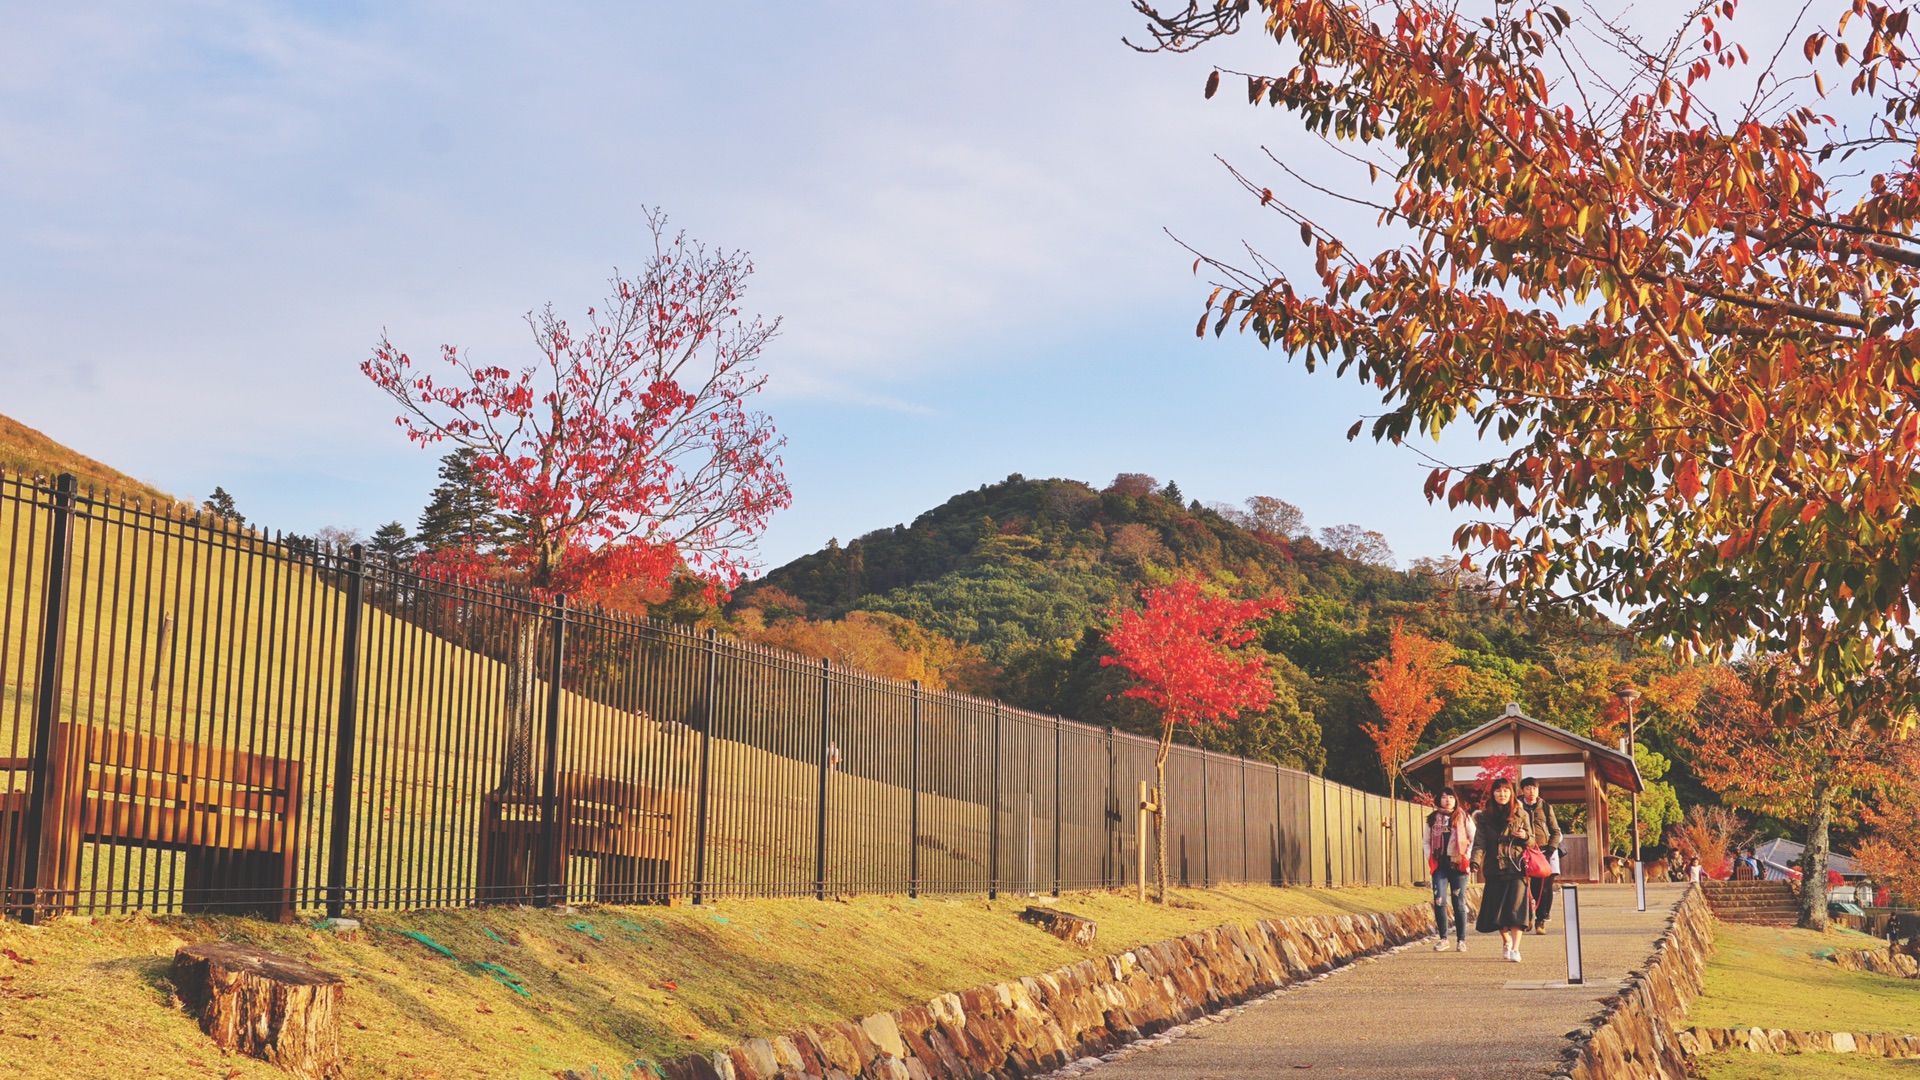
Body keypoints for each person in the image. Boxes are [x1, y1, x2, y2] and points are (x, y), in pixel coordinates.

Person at [1473, 777, 1534, 962]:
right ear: (1493, 793)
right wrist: (1475, 862)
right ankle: (1506, 940)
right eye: (1498, 791)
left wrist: (1524, 836)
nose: (1502, 794)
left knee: (1516, 910)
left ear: (1512, 793)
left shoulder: (1521, 814)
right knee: (1498, 912)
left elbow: (1532, 841)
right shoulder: (1484, 817)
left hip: (1516, 868)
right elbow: (1479, 843)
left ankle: (1515, 949)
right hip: (1494, 869)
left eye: (1506, 790)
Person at [1426, 787, 1476, 952]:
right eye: (1443, 797)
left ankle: (1461, 940)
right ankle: (1443, 938)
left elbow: (1474, 838)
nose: (1447, 800)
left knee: (1459, 902)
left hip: (1458, 864)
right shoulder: (1432, 819)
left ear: (1456, 800)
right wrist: (1429, 856)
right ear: (1438, 800)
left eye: (1450, 797)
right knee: (1439, 900)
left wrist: (1467, 856)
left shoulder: (1464, 817)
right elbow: (1425, 841)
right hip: (1440, 865)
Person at [1518, 777, 1562, 934]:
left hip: (1543, 851)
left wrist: (1550, 850)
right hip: (1521, 850)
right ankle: (1526, 918)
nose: (1532, 791)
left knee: (1544, 888)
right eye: (1528, 788)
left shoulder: (1545, 806)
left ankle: (1541, 921)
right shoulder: (1516, 805)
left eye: (1534, 788)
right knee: (1523, 888)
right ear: (1522, 790)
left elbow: (1556, 831)